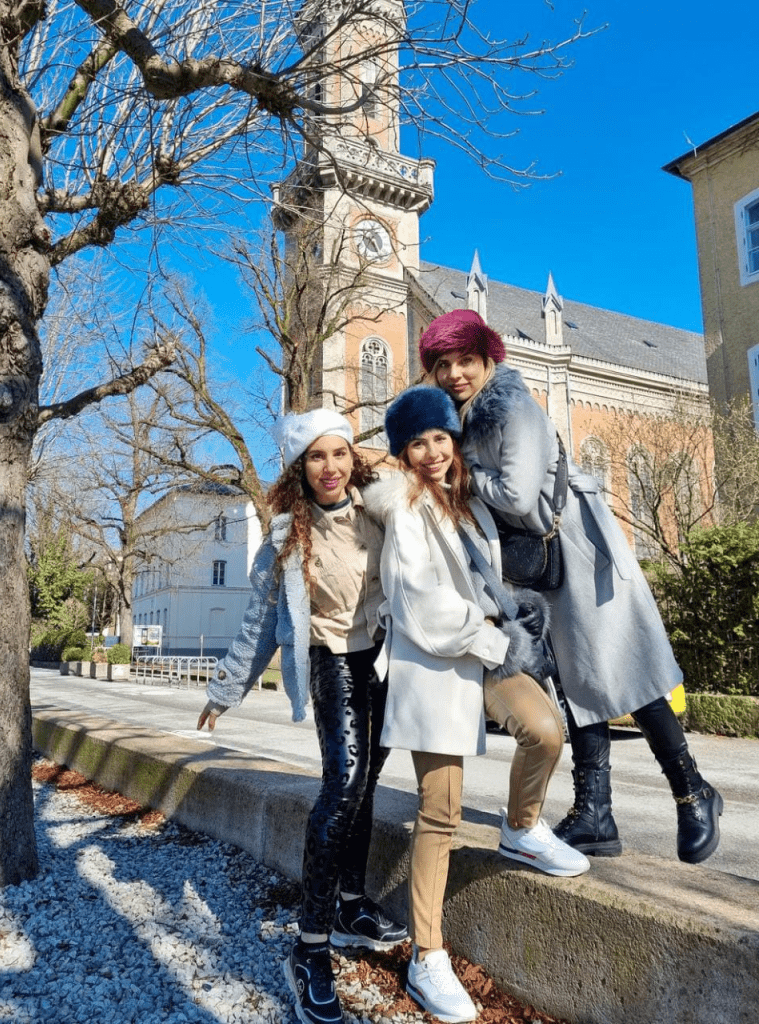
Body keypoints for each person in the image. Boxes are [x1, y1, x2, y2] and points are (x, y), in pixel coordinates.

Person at [419, 307, 724, 865]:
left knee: (625, 671)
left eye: (465, 359)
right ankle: (595, 812)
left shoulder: (510, 406)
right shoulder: (464, 420)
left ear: (489, 357)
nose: (455, 372)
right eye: (443, 364)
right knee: (578, 682)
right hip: (544, 564)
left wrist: (460, 474)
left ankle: (693, 790)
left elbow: (516, 497)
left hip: (580, 548)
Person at [363, 386, 589, 1024]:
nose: (432, 452)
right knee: (442, 811)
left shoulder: (468, 505)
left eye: (440, 438)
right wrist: (491, 638)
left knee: (546, 731)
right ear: (402, 452)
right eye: (417, 443)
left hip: (485, 651)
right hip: (437, 662)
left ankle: (521, 827)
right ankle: (425, 954)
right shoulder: (404, 506)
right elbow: (419, 605)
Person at [196, 408, 407, 1024]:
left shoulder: (379, 509)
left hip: (384, 658)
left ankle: (350, 901)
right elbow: (260, 622)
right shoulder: (288, 536)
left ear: (353, 457)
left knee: (366, 784)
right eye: (316, 457)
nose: (331, 467)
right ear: (299, 467)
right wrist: (226, 688)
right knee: (342, 785)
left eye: (339, 453)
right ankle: (309, 948)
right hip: (332, 662)